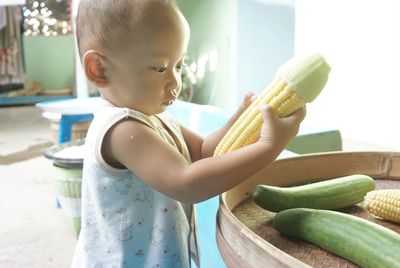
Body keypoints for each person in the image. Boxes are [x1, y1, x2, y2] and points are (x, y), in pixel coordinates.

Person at [71, 0, 306, 267]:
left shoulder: (154, 117)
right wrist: (269, 146)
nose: (175, 82)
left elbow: (206, 151)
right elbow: (186, 183)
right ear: (98, 69)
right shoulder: (121, 129)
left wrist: (240, 118)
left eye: (179, 65)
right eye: (160, 68)